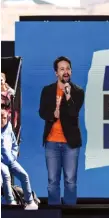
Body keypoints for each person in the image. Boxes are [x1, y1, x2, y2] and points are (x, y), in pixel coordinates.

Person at [39, 56, 84, 205]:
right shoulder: (47, 90)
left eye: (68, 69)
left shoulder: (78, 91)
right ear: (56, 73)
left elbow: (73, 113)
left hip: (70, 144)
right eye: (62, 69)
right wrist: (52, 114)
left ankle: (70, 214)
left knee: (70, 181)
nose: (66, 72)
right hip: (52, 143)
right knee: (52, 182)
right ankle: (54, 213)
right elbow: (42, 112)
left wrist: (68, 95)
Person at [1, 109, 38, 210]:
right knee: (6, 175)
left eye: (4, 118)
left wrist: (13, 156)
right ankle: (10, 201)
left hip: (10, 160)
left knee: (24, 175)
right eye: (0, 118)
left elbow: (14, 144)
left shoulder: (8, 128)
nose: (2, 120)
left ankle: (30, 201)